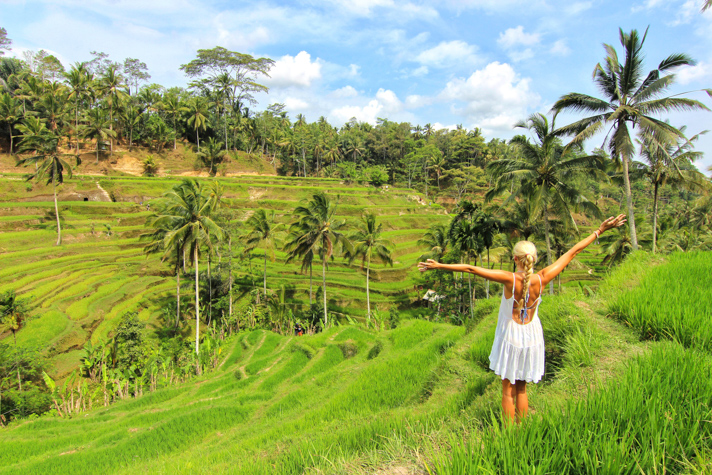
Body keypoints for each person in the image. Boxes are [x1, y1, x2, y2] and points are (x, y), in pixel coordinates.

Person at [418, 214, 626, 424]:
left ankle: (508, 434)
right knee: (522, 388)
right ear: (534, 259)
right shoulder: (543, 278)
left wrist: (439, 265)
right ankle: (522, 428)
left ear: (515, 259)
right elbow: (573, 252)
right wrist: (599, 230)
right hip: (532, 335)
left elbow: (471, 269)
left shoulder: (510, 279)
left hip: (512, 334)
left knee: (508, 390)